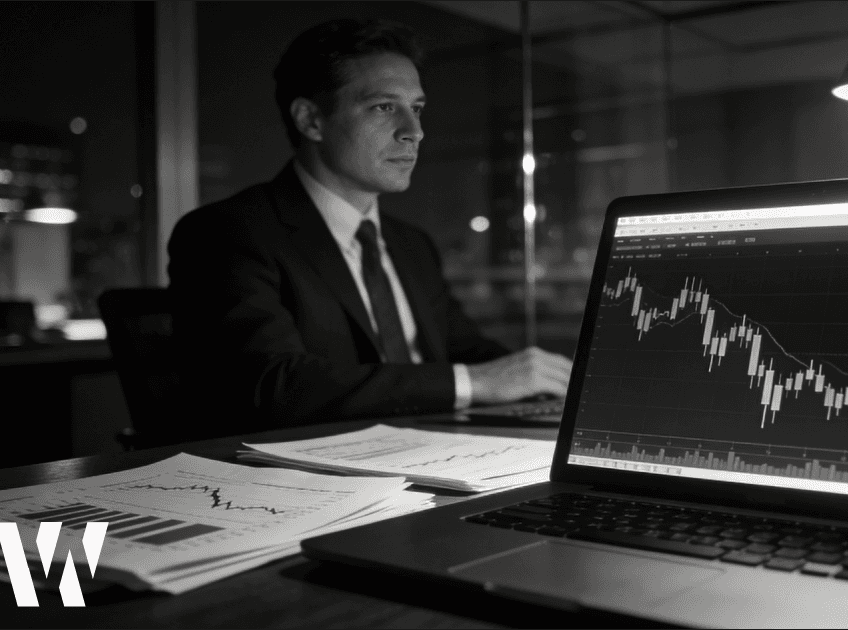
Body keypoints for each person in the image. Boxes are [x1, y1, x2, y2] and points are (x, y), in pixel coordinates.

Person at [168, 18, 572, 438]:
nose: (414, 132)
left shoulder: (411, 244)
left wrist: (547, 382)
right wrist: (476, 383)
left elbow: (466, 351)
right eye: (384, 107)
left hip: (441, 453)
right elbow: (274, 385)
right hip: (312, 481)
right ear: (311, 120)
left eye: (416, 109)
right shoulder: (227, 232)